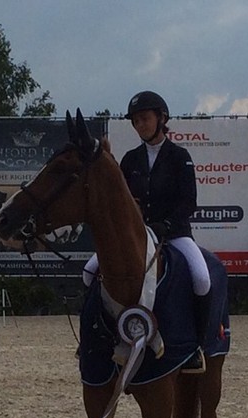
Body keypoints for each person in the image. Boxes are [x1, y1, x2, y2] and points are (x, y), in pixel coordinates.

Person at [84, 90, 210, 373]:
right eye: (135, 121)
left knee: (202, 278)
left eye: (144, 119)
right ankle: (95, 339)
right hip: (137, 237)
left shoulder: (180, 157)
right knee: (88, 272)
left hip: (174, 234)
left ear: (161, 119)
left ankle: (196, 346)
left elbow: (188, 201)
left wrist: (166, 225)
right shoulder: (130, 160)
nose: (140, 125)